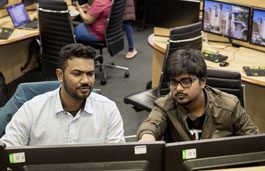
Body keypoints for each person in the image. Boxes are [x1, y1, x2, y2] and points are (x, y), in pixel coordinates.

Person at [1, 43, 125, 146]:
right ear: (60, 75)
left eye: (90, 74)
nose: (86, 80)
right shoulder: (32, 110)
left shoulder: (108, 110)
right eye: (77, 74)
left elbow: (117, 157)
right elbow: (8, 150)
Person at [137, 49, 258, 142]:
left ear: (202, 82)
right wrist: (147, 137)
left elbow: (254, 141)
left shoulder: (229, 106)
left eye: (186, 82)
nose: (178, 88)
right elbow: (151, 125)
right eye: (173, 82)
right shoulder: (165, 106)